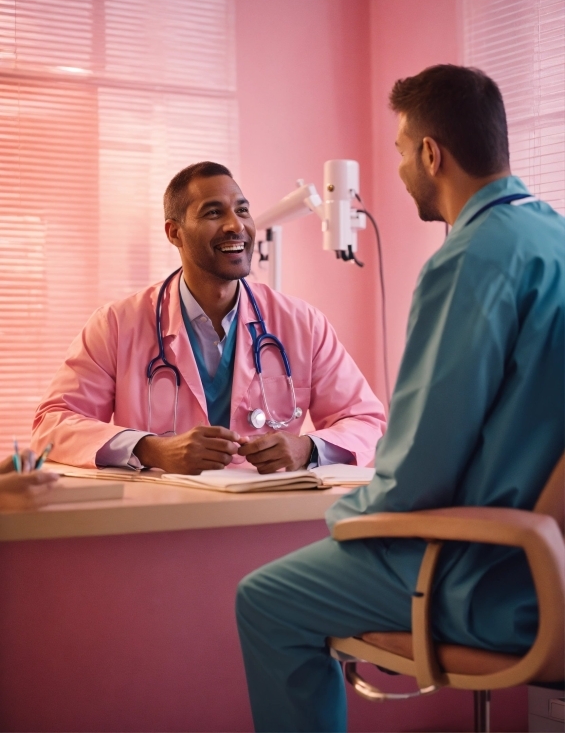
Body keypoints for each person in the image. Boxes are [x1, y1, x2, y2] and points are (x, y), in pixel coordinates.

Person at [235, 65, 565, 732]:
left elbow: (417, 466)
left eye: (397, 151)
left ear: (429, 152)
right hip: (548, 565)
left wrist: (346, 521)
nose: (399, 170)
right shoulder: (551, 239)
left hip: (482, 576)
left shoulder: (469, 259)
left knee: (262, 599)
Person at [31, 162, 386, 474]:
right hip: (163, 520)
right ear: (174, 233)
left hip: (270, 516)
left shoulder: (302, 324)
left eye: (243, 210)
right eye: (214, 213)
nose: (237, 226)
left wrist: (306, 449)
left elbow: (365, 420)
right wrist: (151, 448)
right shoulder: (116, 325)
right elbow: (54, 422)